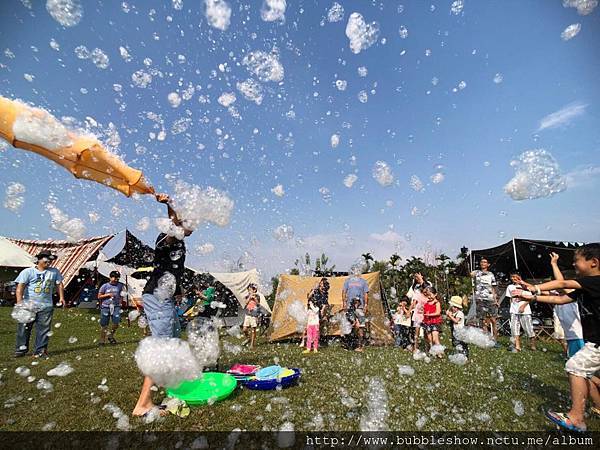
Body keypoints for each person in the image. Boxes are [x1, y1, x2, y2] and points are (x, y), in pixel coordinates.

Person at [515, 243, 600, 432]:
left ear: (594, 262)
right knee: (581, 369)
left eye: (577, 261)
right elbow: (560, 299)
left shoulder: (596, 282)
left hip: (598, 343)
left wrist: (535, 289)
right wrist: (533, 298)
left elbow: (562, 284)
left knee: (575, 366)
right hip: (594, 343)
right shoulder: (586, 288)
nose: (574, 265)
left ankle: (576, 418)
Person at [132, 193, 192, 417]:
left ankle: (171, 386)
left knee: (174, 342)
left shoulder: (181, 244)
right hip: (157, 299)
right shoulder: (165, 239)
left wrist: (179, 291)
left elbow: (173, 271)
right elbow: (174, 225)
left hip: (165, 299)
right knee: (162, 348)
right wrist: (169, 204)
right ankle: (143, 404)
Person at [14, 251, 65, 358]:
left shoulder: (54, 272)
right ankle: (20, 349)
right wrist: (19, 302)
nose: (49, 262)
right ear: (39, 260)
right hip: (29, 305)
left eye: (50, 260)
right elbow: (20, 287)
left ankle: (40, 350)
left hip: (46, 306)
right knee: (24, 328)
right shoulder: (28, 272)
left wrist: (61, 297)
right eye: (46, 259)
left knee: (44, 329)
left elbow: (59, 284)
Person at [549, 252, 584, 358]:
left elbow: (561, 282)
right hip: (571, 337)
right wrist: (528, 288)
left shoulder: (573, 292)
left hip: (578, 336)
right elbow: (546, 293)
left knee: (576, 370)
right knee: (577, 369)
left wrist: (554, 264)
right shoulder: (559, 294)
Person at [504, 271, 536, 352]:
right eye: (512, 277)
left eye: (515, 276)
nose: (513, 278)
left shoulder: (525, 286)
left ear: (520, 276)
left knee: (528, 329)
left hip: (525, 311)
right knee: (514, 329)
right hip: (514, 311)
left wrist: (523, 305)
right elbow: (510, 299)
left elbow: (531, 297)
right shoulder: (510, 287)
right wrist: (511, 308)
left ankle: (532, 345)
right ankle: (517, 346)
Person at [471, 258, 499, 344]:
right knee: (483, 320)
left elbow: (493, 288)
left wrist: (496, 300)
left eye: (485, 262)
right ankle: (486, 340)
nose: (483, 263)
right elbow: (470, 274)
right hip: (480, 299)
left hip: (490, 299)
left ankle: (495, 340)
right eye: (481, 262)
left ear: (488, 264)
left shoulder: (491, 275)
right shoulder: (477, 273)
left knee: (493, 320)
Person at [97, 271, 125, 345]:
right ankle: (102, 341)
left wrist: (120, 302)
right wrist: (108, 295)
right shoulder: (105, 286)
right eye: (114, 278)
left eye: (117, 278)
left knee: (116, 322)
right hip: (105, 307)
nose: (116, 279)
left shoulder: (120, 285)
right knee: (104, 325)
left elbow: (122, 294)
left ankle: (110, 335)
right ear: (110, 277)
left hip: (116, 306)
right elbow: (99, 296)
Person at [407, 272, 431, 353]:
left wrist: (421, 279)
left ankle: (427, 348)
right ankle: (415, 347)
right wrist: (409, 311)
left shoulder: (428, 285)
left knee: (426, 332)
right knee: (416, 331)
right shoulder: (415, 289)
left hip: (425, 314)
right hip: (417, 314)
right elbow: (413, 302)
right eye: (415, 277)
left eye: (418, 276)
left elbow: (429, 289)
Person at [422, 286, 443, 355]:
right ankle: (432, 352)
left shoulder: (437, 303)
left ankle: (440, 352)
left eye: (430, 295)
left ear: (435, 294)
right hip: (427, 322)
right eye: (428, 295)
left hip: (435, 322)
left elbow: (438, 312)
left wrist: (429, 315)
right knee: (430, 339)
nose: (429, 297)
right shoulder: (426, 303)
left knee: (435, 339)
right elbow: (424, 312)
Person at [242, 284, 260, 349]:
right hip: (247, 314)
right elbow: (246, 303)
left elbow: (258, 305)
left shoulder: (257, 296)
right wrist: (249, 297)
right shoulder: (247, 296)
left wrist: (255, 298)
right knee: (244, 329)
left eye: (250, 290)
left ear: (254, 290)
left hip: (254, 315)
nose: (249, 291)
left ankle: (252, 344)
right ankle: (248, 338)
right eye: (248, 290)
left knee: (253, 330)